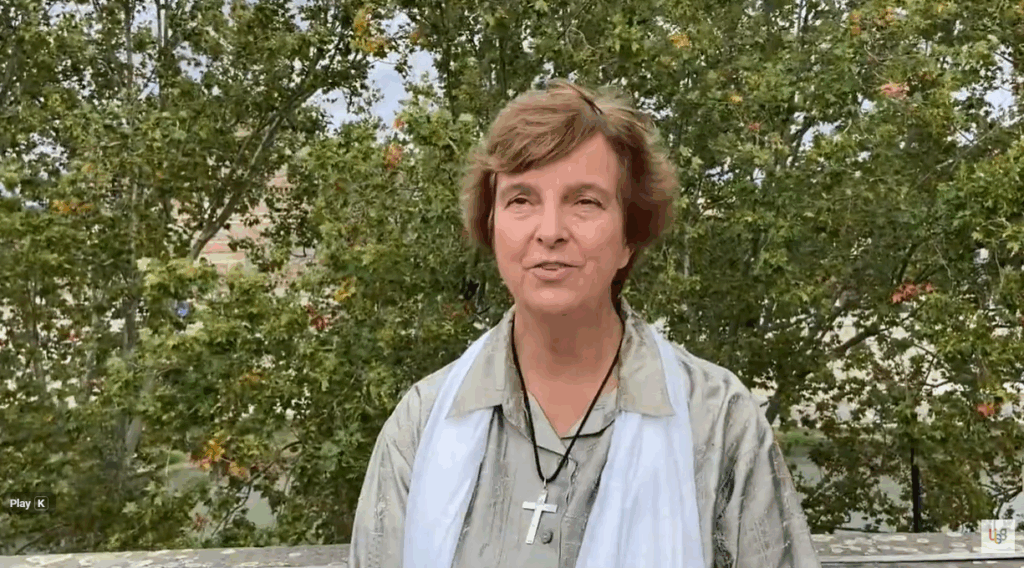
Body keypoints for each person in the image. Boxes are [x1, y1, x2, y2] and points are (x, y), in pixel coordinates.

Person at [348, 79, 822, 568]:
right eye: (521, 200)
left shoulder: (719, 423)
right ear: (491, 226)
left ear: (628, 238)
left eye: (585, 202)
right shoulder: (422, 425)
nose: (550, 232)